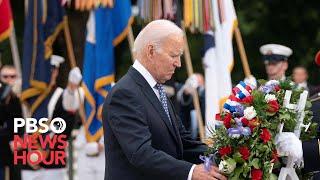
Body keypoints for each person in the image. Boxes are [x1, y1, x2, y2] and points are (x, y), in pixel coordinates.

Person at [102, 20, 226, 180]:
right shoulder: (125, 94)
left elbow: (183, 142)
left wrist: (227, 155)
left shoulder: (156, 90)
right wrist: (191, 172)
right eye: (173, 55)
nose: (179, 63)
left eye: (179, 56)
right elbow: (141, 154)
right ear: (151, 51)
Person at [39, 67, 84, 180]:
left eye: (52, 70)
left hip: (52, 159)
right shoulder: (32, 94)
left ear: (56, 72)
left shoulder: (60, 94)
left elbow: (67, 122)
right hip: (29, 160)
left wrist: (71, 87)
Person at [0, 69, 23, 180]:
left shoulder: (22, 98)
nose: (9, 80)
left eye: (12, 76)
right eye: (5, 76)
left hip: (18, 148)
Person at [177, 73, 205, 139]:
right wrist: (187, 93)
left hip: (203, 125)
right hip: (188, 124)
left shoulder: (203, 92)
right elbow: (184, 104)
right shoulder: (185, 92)